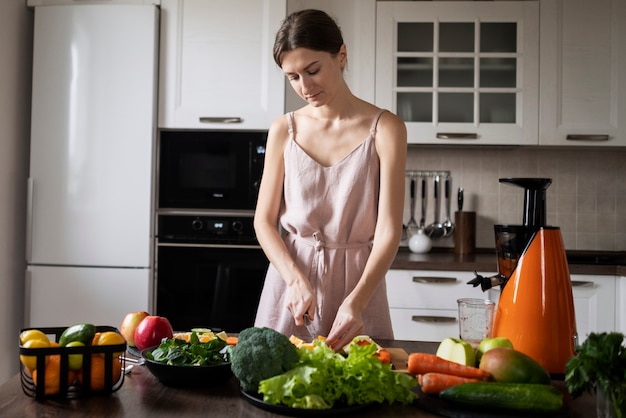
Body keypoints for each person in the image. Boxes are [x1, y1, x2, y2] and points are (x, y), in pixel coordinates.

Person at [253, 9, 407, 350]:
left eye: (312, 70)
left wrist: (358, 300)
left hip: (359, 287)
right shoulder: (283, 129)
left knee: (364, 392)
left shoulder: (386, 129)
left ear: (341, 55)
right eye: (292, 77)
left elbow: (388, 231)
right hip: (291, 287)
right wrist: (294, 279)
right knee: (272, 391)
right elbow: (263, 222)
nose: (305, 87)